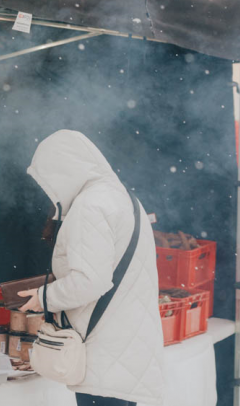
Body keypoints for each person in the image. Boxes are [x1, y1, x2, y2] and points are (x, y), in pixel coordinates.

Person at [18, 130, 164, 406]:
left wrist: (43, 297)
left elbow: (90, 281)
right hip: (126, 347)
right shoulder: (123, 198)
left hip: (106, 352)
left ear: (63, 171)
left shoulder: (90, 205)